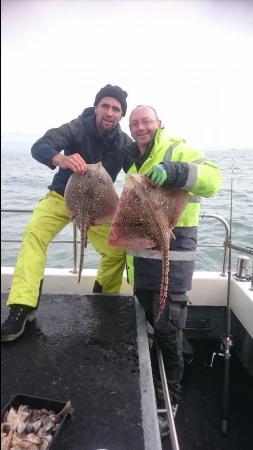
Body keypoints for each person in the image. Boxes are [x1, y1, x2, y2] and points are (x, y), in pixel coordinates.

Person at [1, 84, 133, 343]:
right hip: (61, 197)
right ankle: (23, 307)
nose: (109, 112)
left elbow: (139, 172)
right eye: (105, 106)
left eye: (115, 109)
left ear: (121, 115)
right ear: (96, 107)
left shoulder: (124, 144)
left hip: (97, 207)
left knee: (117, 250)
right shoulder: (76, 127)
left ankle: (103, 299)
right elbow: (41, 145)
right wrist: (59, 159)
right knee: (34, 236)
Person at [122, 105, 222, 437]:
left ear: (159, 123)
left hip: (172, 261)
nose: (140, 127)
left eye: (146, 121)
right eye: (134, 123)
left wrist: (175, 170)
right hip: (142, 266)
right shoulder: (135, 160)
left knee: (167, 330)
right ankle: (185, 357)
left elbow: (213, 179)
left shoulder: (176, 148)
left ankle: (172, 402)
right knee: (157, 325)